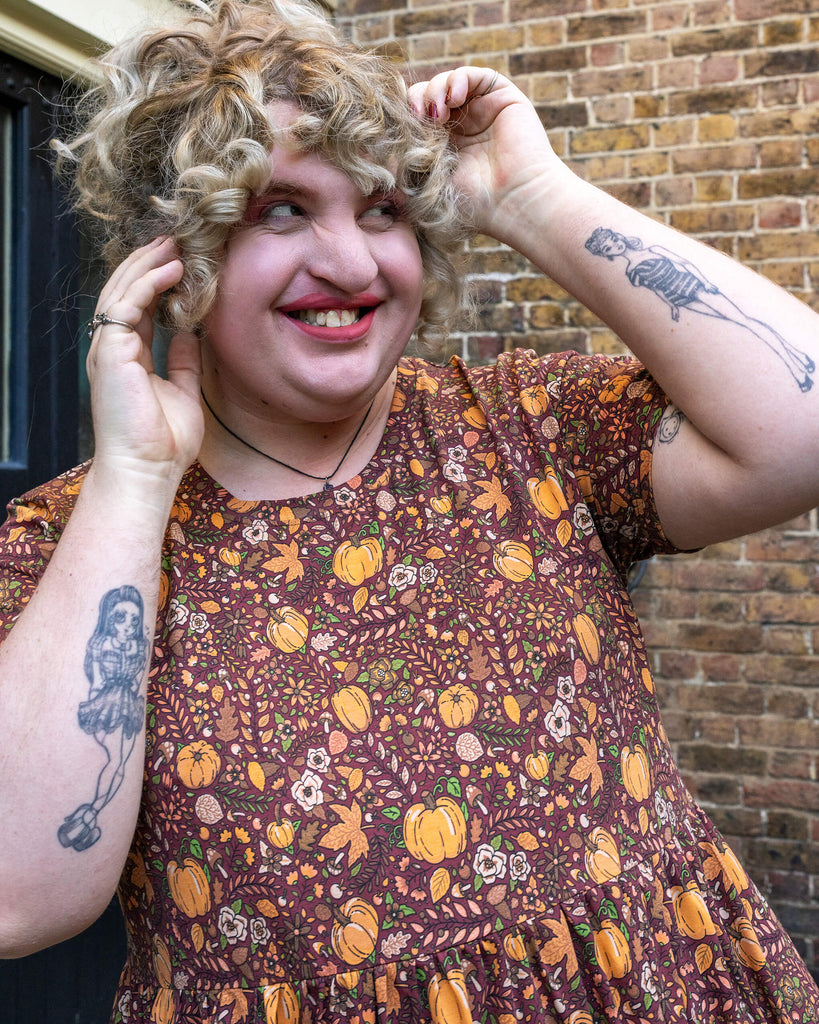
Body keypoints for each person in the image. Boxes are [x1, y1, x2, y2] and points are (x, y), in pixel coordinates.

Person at [0, 0, 817, 1021]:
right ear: (169, 251)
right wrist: (133, 475)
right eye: (279, 209)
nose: (351, 264)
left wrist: (531, 196)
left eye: (383, 208)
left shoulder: (530, 429)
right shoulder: (67, 541)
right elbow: (18, 892)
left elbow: (806, 421)